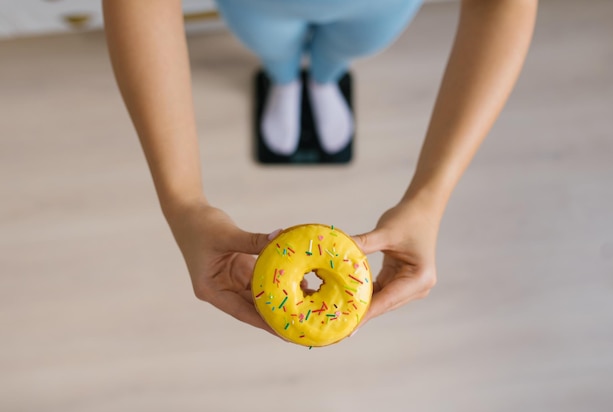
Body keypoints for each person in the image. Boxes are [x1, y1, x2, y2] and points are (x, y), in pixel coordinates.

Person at [102, 0, 537, 335]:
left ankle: (325, 78)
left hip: (376, 9)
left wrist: (430, 198)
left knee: (347, 48)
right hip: (258, 7)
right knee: (272, 48)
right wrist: (182, 203)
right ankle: (285, 78)